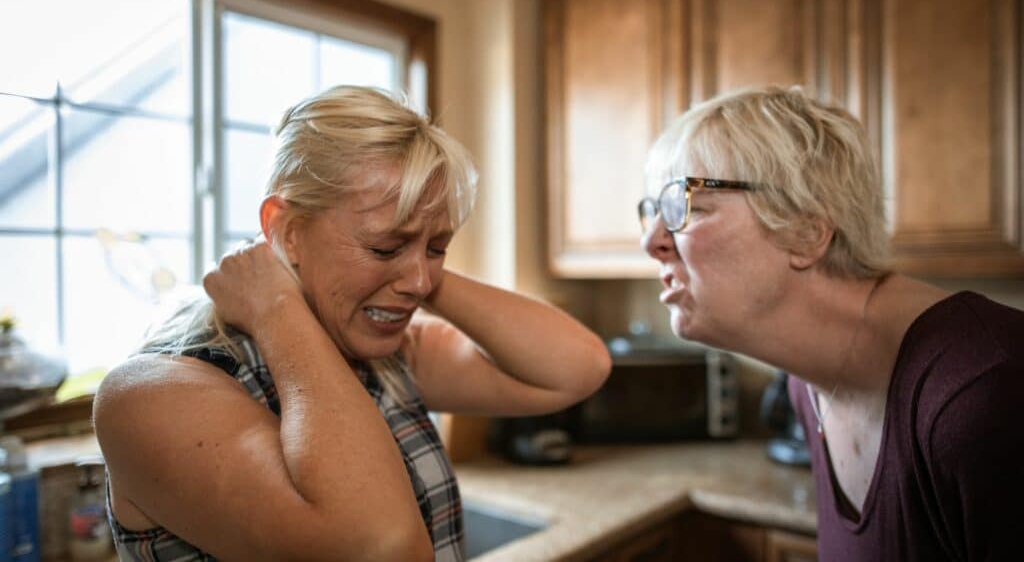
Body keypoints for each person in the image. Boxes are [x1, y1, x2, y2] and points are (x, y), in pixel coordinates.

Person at [93, 85, 611, 562]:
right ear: (286, 230)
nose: (421, 281)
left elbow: (576, 367)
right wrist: (276, 309)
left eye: (437, 248)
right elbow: (380, 547)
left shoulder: (382, 354)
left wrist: (412, 263)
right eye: (384, 245)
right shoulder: (151, 398)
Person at [639, 86, 1023, 561]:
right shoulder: (810, 386)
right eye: (653, 210)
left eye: (686, 204)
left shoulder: (985, 395)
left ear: (806, 232)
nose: (651, 240)